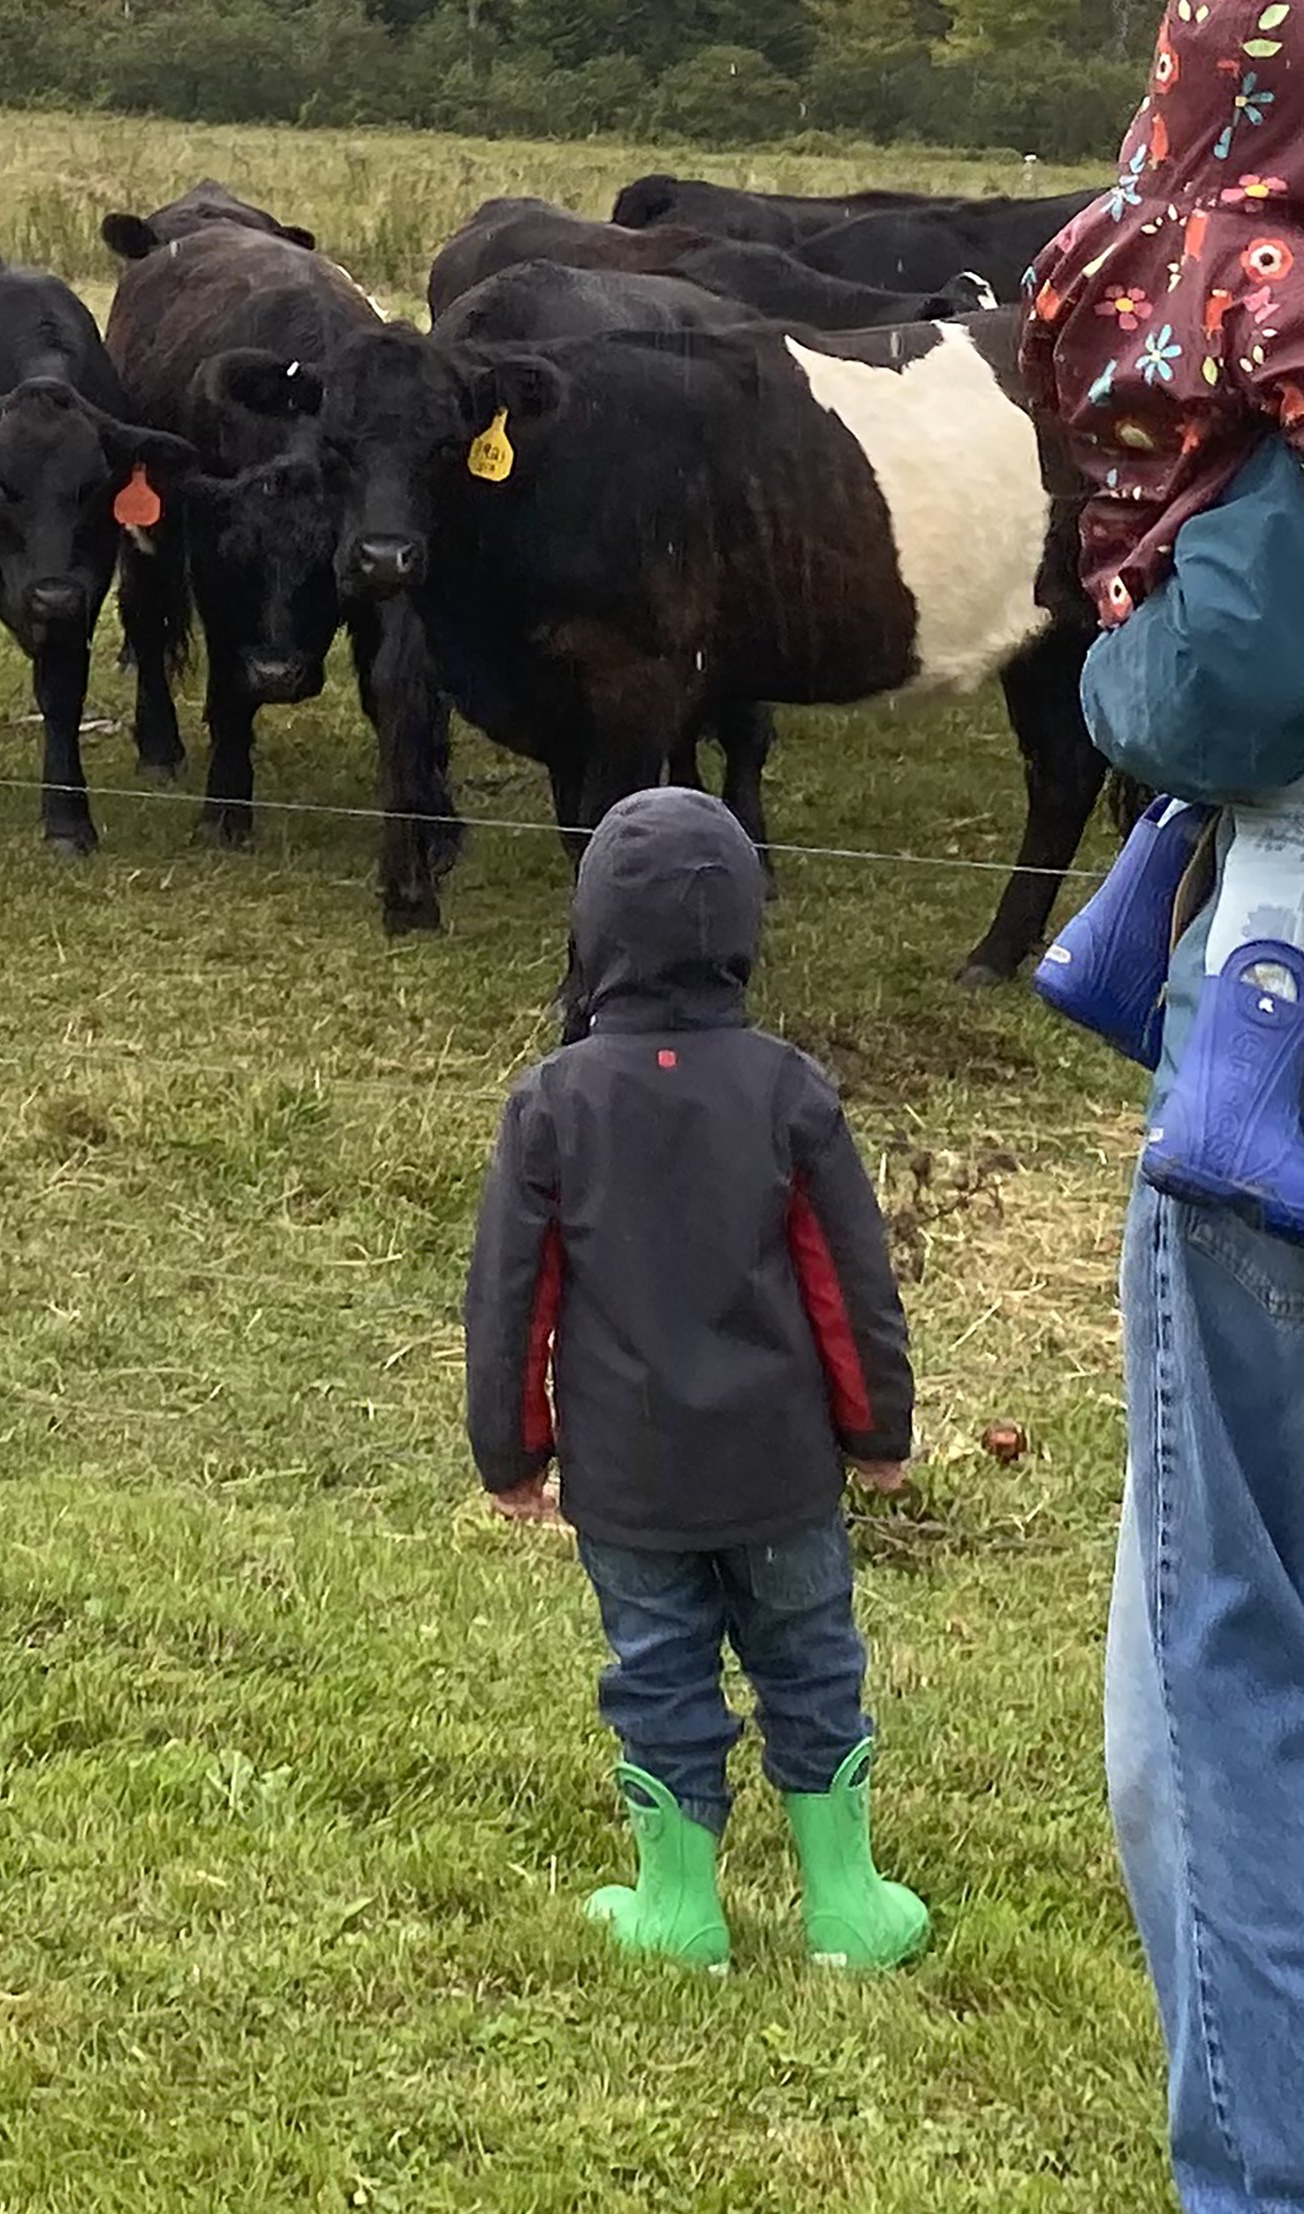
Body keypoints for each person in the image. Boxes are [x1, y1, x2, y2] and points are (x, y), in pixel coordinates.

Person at [1021, 5, 1304, 2204]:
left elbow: (1220, 682)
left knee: (1214, 1694)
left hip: (1281, 1045)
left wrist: (1113, 653)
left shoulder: (1273, 365)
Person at [462, 788, 927, 1975]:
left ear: (591, 932)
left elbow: (512, 1300)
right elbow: (847, 1283)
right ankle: (846, 1907)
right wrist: (877, 1430)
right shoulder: (789, 1089)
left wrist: (512, 1457)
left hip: (629, 1482)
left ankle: (680, 1912)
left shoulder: (549, 1103)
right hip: (783, 1474)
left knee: (658, 1675)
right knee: (812, 1662)